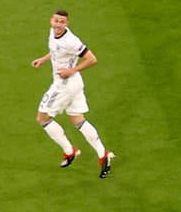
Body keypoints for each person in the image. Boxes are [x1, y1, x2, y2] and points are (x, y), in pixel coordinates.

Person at [29, 10, 116, 176]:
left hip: (64, 85)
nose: (58, 25)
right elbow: (55, 51)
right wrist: (43, 59)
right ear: (51, 21)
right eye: (56, 21)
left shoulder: (71, 41)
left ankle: (70, 151)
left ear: (67, 24)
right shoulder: (53, 33)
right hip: (74, 83)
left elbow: (92, 59)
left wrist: (72, 70)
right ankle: (102, 154)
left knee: (42, 118)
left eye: (62, 22)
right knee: (78, 120)